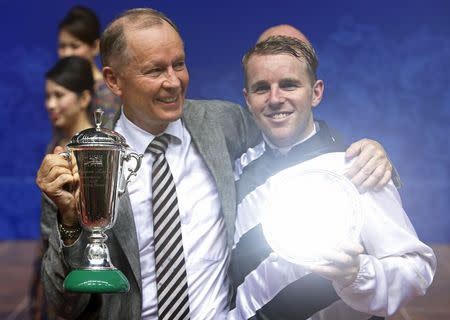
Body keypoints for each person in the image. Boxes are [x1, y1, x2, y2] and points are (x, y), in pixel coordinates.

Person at [36, 8, 394, 320]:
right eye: (155, 70)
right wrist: (70, 225)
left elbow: (292, 123)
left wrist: (368, 153)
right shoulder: (84, 167)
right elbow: (65, 305)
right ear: (114, 80)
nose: (173, 82)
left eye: (179, 64)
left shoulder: (221, 123)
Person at [228, 35, 436, 319]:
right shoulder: (236, 168)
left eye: (289, 84)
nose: (275, 98)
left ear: (316, 92)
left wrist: (356, 274)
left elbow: (416, 270)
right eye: (262, 88)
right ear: (248, 99)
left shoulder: (355, 168)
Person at [30, 56, 95, 320]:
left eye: (59, 95)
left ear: (84, 98)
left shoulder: (93, 154)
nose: (50, 104)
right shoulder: (57, 143)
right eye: (47, 96)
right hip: (55, 267)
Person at [58, 5, 121, 118]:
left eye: (75, 46)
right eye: (62, 46)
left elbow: (108, 134)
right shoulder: (61, 89)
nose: (67, 54)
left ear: (95, 47)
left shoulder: (105, 91)